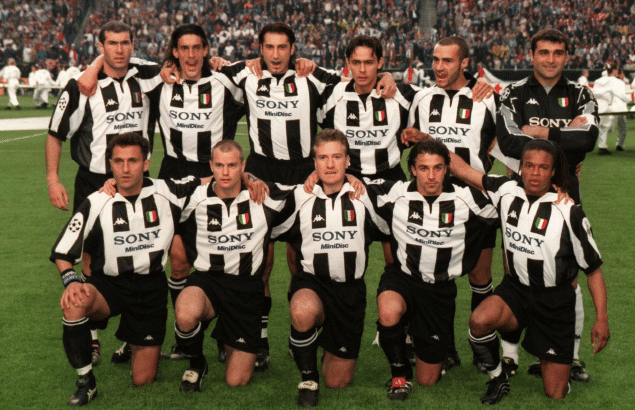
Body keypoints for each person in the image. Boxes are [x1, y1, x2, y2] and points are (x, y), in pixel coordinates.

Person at [447, 139, 609, 403]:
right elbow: (464, 171)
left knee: (554, 393)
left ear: (553, 171)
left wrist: (601, 318)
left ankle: (556, 366)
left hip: (554, 301)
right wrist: (426, 141)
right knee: (479, 321)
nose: (535, 173)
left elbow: (594, 271)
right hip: (516, 291)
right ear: (520, 167)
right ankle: (498, 378)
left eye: (543, 168)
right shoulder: (506, 190)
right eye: (529, 166)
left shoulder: (569, 211)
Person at [50, 133, 202, 406]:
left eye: (133, 161)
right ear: (110, 164)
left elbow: (214, 180)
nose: (125, 168)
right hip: (109, 286)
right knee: (74, 302)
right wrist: (71, 281)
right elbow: (62, 251)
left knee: (143, 380)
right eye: (118, 161)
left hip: (150, 290)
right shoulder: (97, 201)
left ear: (146, 163)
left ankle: (133, 343)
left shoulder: (167, 191)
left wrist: (249, 178)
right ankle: (86, 381)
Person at [401, 36, 518, 375]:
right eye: (435, 60)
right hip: (435, 203)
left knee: (480, 275)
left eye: (447, 61)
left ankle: (482, 347)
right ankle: (444, 348)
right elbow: (410, 142)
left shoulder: (486, 97)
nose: (439, 67)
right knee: (437, 277)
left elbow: (507, 143)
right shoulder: (422, 98)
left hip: (478, 203)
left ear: (464, 63)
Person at [46, 20, 160, 367]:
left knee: (139, 250)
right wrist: (53, 179)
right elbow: (56, 133)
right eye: (112, 43)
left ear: (133, 44)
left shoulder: (146, 75)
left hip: (138, 180)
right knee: (91, 258)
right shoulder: (81, 87)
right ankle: (92, 337)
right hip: (94, 180)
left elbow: (181, 62)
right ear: (101, 46)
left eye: (125, 42)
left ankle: (131, 335)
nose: (119, 49)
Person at [495, 29, 599, 380]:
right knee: (515, 269)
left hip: (565, 194)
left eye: (557, 52)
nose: (550, 59)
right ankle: (511, 356)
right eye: (543, 52)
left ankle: (571, 356)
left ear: (566, 56)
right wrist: (565, 140)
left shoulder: (582, 93)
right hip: (521, 192)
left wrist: (540, 133)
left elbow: (589, 138)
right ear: (532, 55)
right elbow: (508, 140)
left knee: (567, 277)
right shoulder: (513, 92)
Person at [367, 139, 497, 401]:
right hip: (403, 278)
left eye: (438, 168)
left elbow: (512, 198)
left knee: (428, 379)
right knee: (389, 310)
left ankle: (424, 340)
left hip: (438, 291)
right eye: (424, 168)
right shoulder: (396, 193)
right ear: (413, 169)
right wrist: (323, 176)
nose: (431, 175)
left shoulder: (467, 199)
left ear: (447, 169)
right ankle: (400, 375)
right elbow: (348, 182)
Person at [272, 129, 389, 407]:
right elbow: (262, 205)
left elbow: (396, 212)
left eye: (337, 157)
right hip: (312, 283)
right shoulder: (300, 196)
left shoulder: (364, 195)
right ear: (314, 163)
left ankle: (318, 343)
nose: (330, 164)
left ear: (348, 161)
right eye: (323, 158)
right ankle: (308, 378)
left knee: (338, 381)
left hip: (350, 293)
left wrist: (356, 180)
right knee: (302, 311)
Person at [173, 140, 291, 392]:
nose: (225, 172)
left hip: (246, 289)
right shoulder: (195, 197)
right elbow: (152, 190)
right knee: (185, 314)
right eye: (219, 165)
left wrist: (346, 177)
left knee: (237, 381)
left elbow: (306, 191)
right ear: (211, 166)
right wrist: (112, 184)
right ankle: (197, 364)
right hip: (208, 281)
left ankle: (228, 334)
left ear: (243, 166)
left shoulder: (263, 195)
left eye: (232, 165)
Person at [594, 63, 630, 155]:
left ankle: (601, 146)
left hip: (597, 103)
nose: (617, 71)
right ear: (614, 70)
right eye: (617, 69)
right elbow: (619, 94)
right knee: (605, 126)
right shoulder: (614, 81)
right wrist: (629, 100)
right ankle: (601, 147)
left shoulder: (598, 80)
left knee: (600, 126)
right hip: (606, 104)